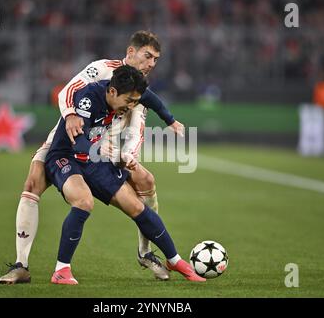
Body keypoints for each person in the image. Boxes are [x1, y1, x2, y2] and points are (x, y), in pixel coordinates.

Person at [0, 31, 184, 284]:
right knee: (33, 182)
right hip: (68, 135)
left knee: (146, 181)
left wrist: (131, 154)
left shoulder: (139, 89)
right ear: (131, 53)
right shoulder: (101, 69)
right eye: (148, 56)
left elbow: (137, 127)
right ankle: (21, 265)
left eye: (155, 60)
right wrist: (72, 114)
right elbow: (68, 91)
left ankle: (145, 252)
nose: (152, 63)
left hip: (103, 147)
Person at [45, 65, 205, 284]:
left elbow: (150, 99)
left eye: (134, 102)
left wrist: (170, 120)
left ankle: (174, 259)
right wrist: (104, 151)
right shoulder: (88, 98)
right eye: (129, 101)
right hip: (66, 156)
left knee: (138, 206)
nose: (131, 107)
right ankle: (61, 270)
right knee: (84, 201)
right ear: (112, 92)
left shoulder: (124, 93)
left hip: (92, 158)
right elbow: (79, 141)